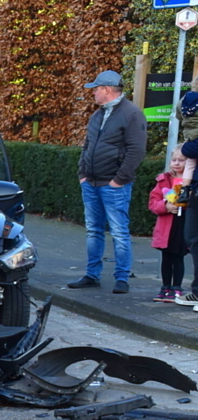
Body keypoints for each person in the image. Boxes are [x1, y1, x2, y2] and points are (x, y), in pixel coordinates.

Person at [68, 70, 147, 294]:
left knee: (119, 231)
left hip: (113, 185)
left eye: (96, 89)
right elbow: (87, 145)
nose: (93, 93)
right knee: (93, 231)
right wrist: (83, 174)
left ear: (106, 90)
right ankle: (92, 275)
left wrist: (118, 180)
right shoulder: (98, 115)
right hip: (91, 183)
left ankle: (122, 277)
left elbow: (136, 151)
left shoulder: (132, 114)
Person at [148, 146, 189, 303]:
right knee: (166, 257)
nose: (177, 163)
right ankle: (165, 286)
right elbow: (153, 202)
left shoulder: (191, 180)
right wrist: (166, 206)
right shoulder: (164, 180)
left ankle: (176, 287)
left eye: (181, 160)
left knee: (178, 256)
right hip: (167, 224)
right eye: (174, 160)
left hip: (182, 223)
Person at [174, 79, 198, 204]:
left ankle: (185, 189)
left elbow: (178, 116)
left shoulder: (183, 101)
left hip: (190, 139)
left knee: (190, 163)